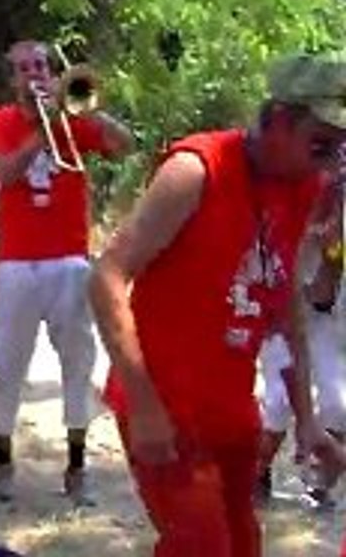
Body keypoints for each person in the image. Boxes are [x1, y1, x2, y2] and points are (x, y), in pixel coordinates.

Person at [89, 53, 346, 556]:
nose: (332, 160)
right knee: (200, 546)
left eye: (340, 147)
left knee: (243, 545)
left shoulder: (305, 186)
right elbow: (107, 276)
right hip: (166, 401)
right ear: (276, 121)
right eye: (322, 142)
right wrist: (143, 406)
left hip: (230, 405)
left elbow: (286, 301)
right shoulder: (195, 170)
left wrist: (307, 419)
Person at [0, 41, 133, 504]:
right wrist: (43, 132)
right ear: (12, 79)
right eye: (24, 69)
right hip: (15, 263)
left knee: (78, 362)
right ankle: (4, 458)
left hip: (68, 259)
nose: (34, 74)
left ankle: (76, 464)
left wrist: (88, 112)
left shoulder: (74, 120)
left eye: (41, 67)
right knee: (6, 364)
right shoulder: (0, 123)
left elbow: (124, 144)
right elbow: (5, 173)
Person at [257, 171, 346, 508]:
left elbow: (323, 297)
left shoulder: (338, 232)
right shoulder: (276, 215)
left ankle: (319, 488)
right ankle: (257, 475)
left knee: (338, 405)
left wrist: (332, 253)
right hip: (277, 322)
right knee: (278, 402)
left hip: (322, 324)